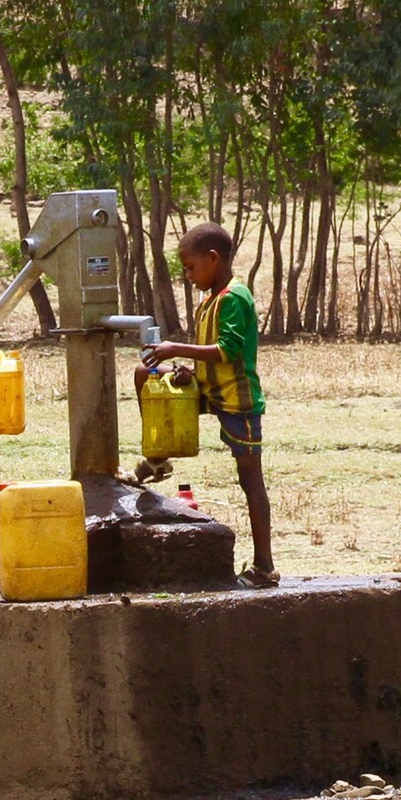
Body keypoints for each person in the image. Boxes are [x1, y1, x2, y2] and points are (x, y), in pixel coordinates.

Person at [137, 221, 276, 588]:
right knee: (144, 373)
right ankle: (156, 458)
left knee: (251, 481)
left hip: (236, 400)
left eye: (190, 267)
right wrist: (186, 369)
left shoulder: (233, 297)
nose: (187, 275)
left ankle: (264, 567)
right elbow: (207, 356)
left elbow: (227, 350)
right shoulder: (209, 299)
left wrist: (174, 348)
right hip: (206, 387)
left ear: (213, 259)